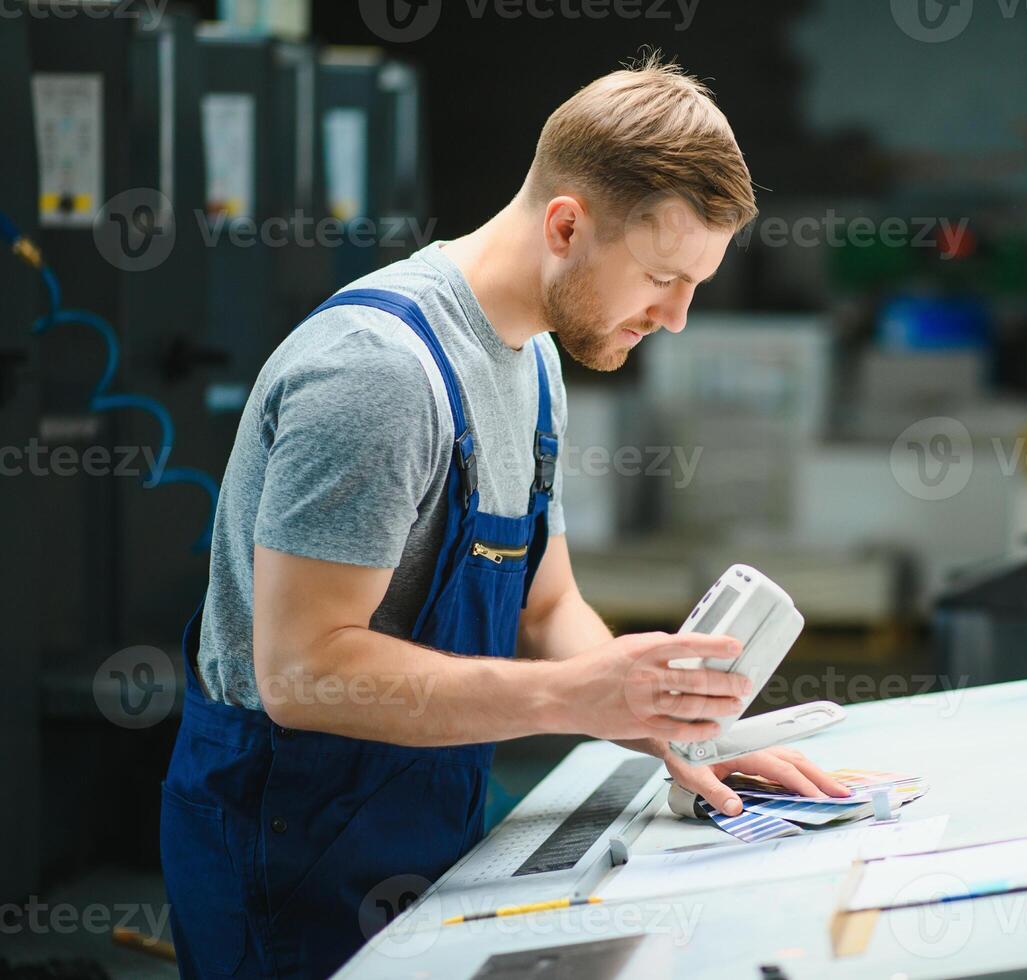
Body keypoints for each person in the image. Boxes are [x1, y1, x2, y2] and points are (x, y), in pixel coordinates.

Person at [160, 54, 849, 979]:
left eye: (694, 285)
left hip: (423, 819)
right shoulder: (379, 374)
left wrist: (674, 733)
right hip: (288, 841)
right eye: (659, 278)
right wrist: (574, 698)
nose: (676, 318)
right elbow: (301, 672)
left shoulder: (531, 363)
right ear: (566, 224)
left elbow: (545, 608)